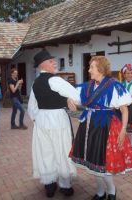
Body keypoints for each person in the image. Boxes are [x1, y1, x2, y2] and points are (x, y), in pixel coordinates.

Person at [69, 56, 132, 200]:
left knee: (102, 162)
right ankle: (100, 192)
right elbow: (74, 95)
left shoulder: (114, 86)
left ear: (100, 68)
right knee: (92, 161)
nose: (89, 70)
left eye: (91, 67)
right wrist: (69, 99)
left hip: (106, 127)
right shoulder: (87, 86)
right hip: (88, 126)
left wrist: (123, 130)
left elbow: (124, 110)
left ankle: (111, 191)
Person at [28, 49, 80, 198]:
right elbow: (76, 96)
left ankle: (49, 185)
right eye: (51, 61)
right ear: (43, 65)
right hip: (57, 119)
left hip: (42, 121)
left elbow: (32, 108)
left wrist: (38, 120)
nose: (54, 62)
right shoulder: (55, 80)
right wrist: (68, 100)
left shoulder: (35, 83)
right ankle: (65, 185)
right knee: (62, 150)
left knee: (46, 152)